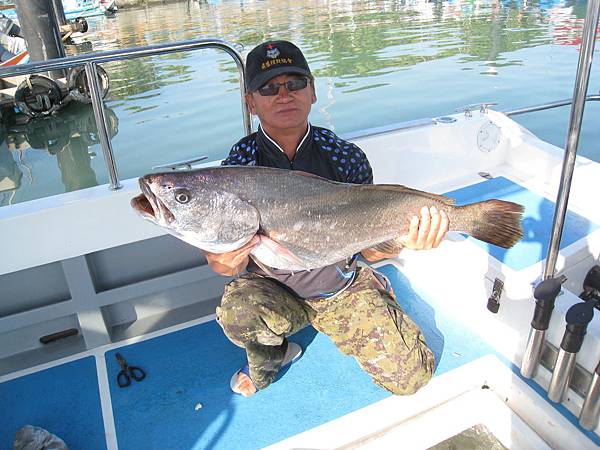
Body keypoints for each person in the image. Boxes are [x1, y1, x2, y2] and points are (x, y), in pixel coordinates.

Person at [205, 40, 449, 397]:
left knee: (411, 378)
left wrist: (404, 241)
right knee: (237, 311)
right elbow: (225, 262)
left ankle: (374, 291)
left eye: (295, 83)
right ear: (250, 102)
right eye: (268, 88)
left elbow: (367, 248)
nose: (284, 94)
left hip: (341, 287)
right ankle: (275, 354)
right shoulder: (239, 165)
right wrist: (221, 261)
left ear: (313, 92)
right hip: (274, 290)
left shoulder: (346, 157)